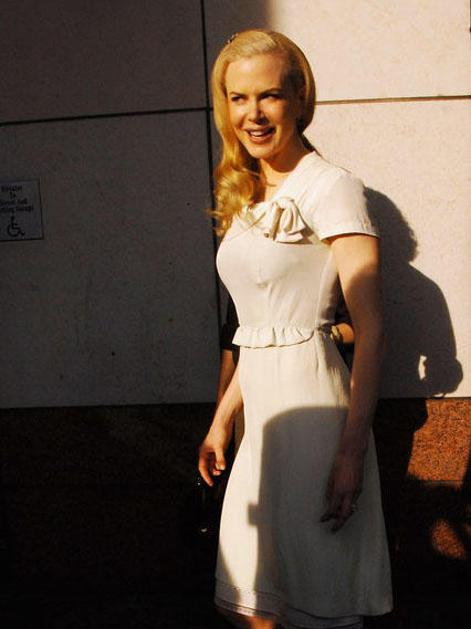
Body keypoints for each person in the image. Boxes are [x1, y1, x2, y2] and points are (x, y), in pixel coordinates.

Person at [198, 29, 392, 629]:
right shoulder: (246, 193)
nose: (253, 114)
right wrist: (222, 420)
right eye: (238, 98)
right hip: (260, 424)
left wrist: (351, 452)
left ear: (300, 98)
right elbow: (260, 330)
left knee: (314, 600)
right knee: (249, 603)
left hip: (315, 421)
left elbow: (372, 330)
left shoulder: (332, 187)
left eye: (269, 96)